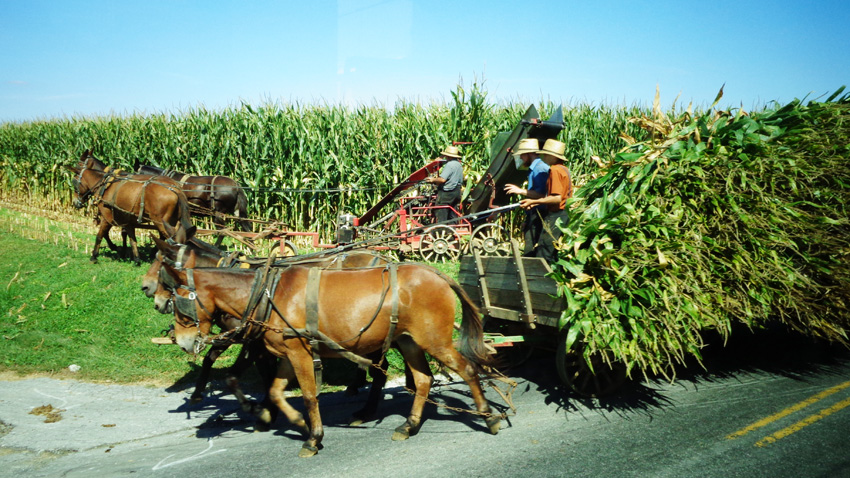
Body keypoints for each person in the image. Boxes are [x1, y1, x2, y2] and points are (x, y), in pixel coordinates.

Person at [518, 138, 572, 263]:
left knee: (544, 252)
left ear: (553, 156)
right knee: (550, 251)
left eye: (546, 154)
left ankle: (542, 281)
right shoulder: (564, 169)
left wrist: (533, 202)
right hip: (563, 214)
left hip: (556, 215)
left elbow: (556, 198)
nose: (543, 157)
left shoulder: (555, 170)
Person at [504, 138, 549, 256]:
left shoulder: (540, 169)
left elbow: (543, 195)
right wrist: (527, 218)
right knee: (529, 244)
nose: (521, 158)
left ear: (528, 154)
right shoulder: (534, 168)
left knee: (532, 248)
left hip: (540, 213)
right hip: (534, 212)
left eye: (522, 155)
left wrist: (520, 191)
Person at [425, 145, 464, 223]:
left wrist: (432, 180)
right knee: (452, 213)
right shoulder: (459, 164)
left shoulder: (449, 165)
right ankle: (452, 230)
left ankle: (440, 230)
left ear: (448, 156)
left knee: (441, 211)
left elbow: (442, 180)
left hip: (447, 193)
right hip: (457, 192)